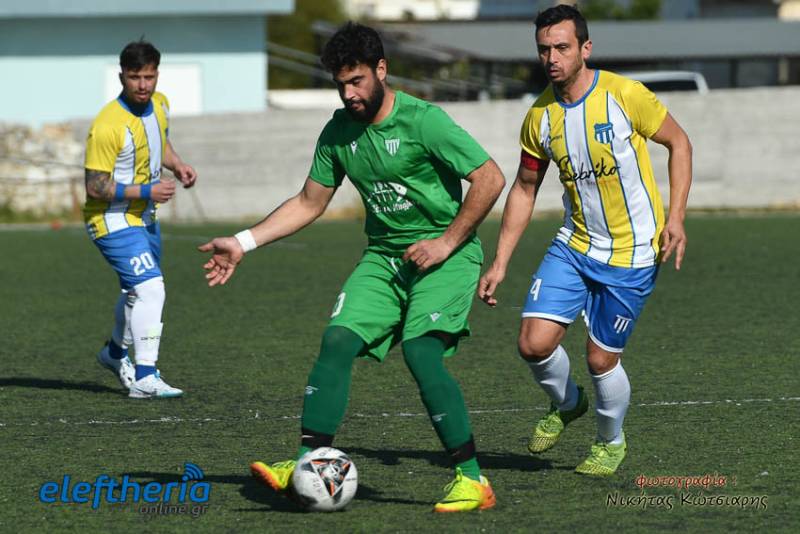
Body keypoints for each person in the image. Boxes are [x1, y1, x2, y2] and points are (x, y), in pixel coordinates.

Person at [199, 22, 505, 512]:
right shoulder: (338, 132)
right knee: (337, 340)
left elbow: (489, 177)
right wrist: (242, 242)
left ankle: (472, 480)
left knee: (421, 352)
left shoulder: (424, 121)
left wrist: (446, 242)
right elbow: (308, 202)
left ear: (381, 69)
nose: (349, 94)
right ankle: (305, 462)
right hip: (384, 257)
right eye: (340, 84)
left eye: (357, 81)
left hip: (446, 257)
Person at [478, 4, 692, 477]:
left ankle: (610, 441)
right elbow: (525, 188)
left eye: (562, 47)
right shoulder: (540, 117)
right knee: (532, 344)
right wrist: (500, 262)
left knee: (600, 360)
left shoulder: (624, 95)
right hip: (575, 246)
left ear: (585, 48)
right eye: (544, 49)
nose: (552, 58)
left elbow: (679, 143)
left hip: (633, 253)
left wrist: (676, 217)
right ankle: (567, 403)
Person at [84, 40, 197, 399]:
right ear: (122, 76)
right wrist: (148, 190)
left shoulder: (160, 104)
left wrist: (177, 165)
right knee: (151, 288)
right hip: (111, 219)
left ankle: (114, 353)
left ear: (157, 74)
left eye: (149, 76)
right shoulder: (107, 124)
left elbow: (160, 142)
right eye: (135, 77)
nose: (143, 85)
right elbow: (95, 186)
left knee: (136, 291)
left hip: (145, 218)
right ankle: (146, 377)